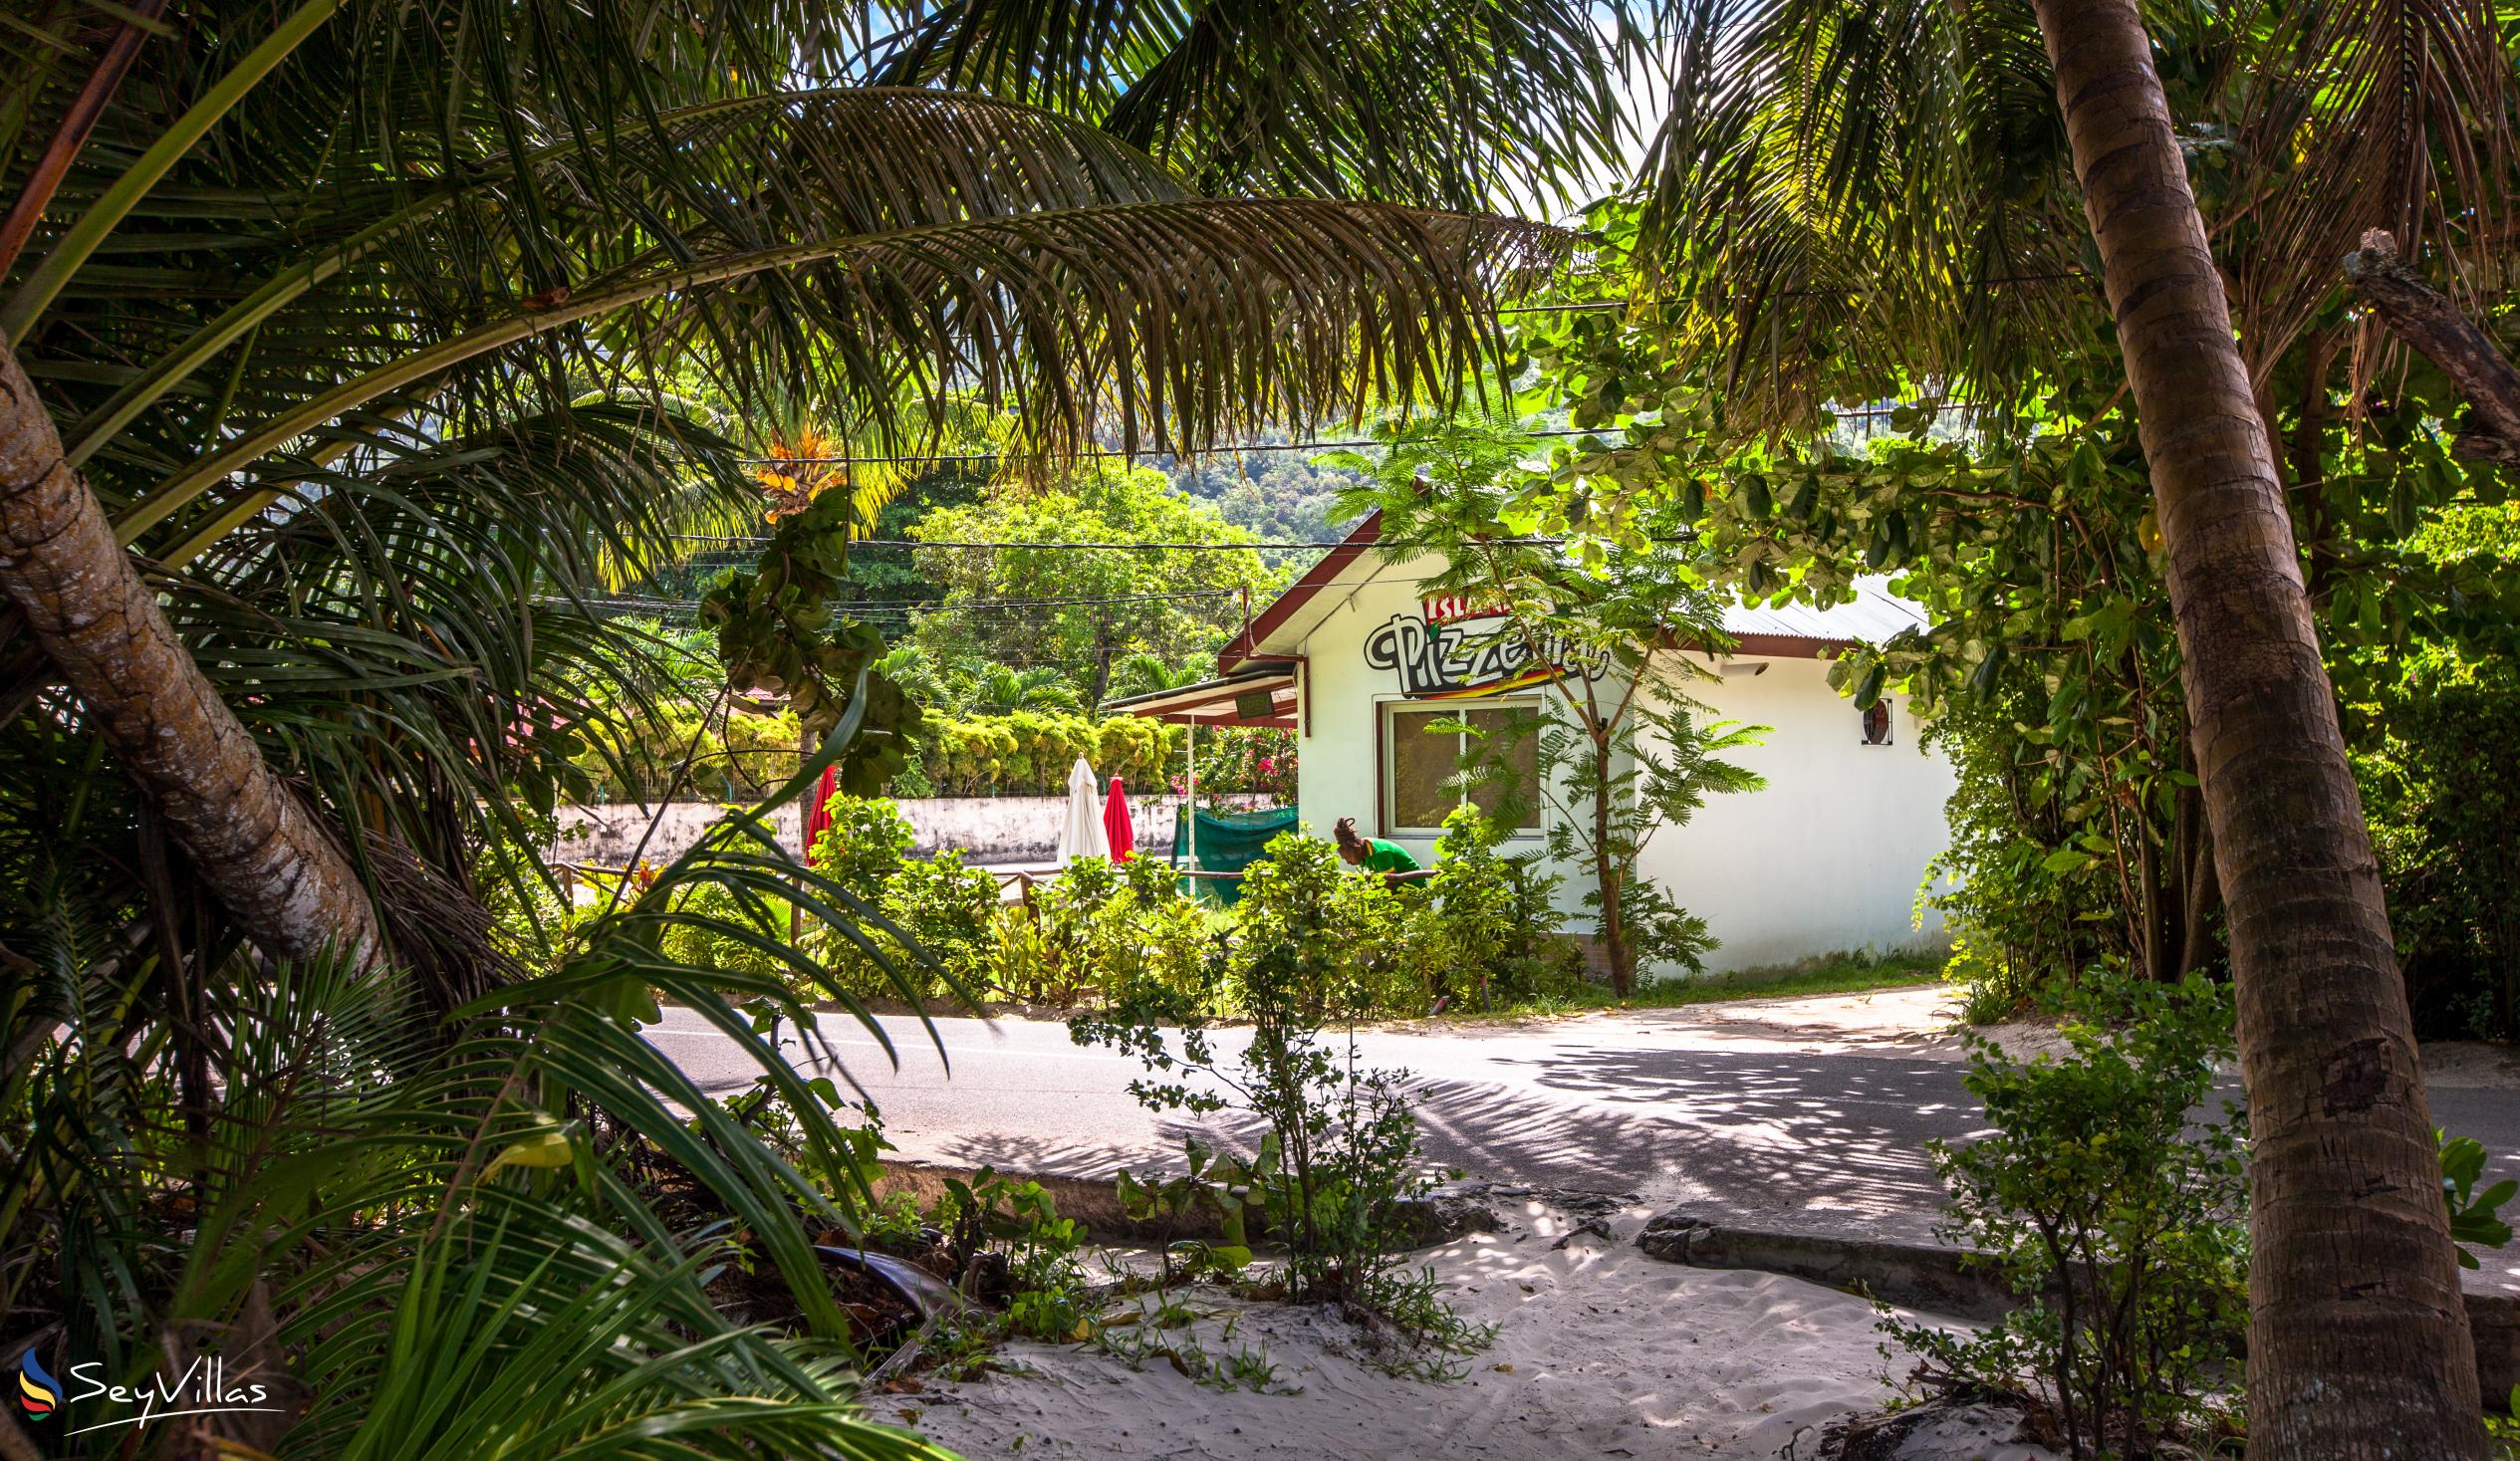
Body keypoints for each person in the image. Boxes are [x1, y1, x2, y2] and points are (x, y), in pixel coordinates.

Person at [1333, 817, 1428, 881]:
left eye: (1348, 858)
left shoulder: (1379, 853)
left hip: (1413, 886)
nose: (1348, 862)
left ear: (1357, 849)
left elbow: (1390, 884)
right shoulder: (1362, 856)